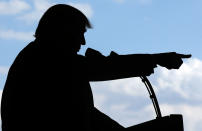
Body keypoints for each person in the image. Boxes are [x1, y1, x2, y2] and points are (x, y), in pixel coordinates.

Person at [1, 4, 191, 131]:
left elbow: (84, 112)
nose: (83, 42)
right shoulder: (45, 57)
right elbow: (101, 69)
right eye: (79, 33)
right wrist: (155, 59)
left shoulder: (38, 56)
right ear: (63, 30)